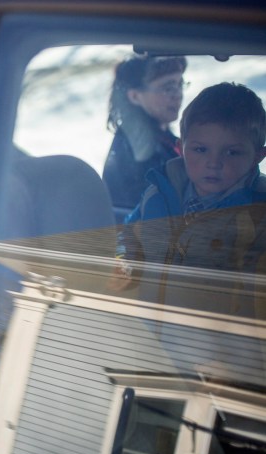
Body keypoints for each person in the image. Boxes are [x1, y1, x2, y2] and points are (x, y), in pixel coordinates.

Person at [113, 82, 266, 317]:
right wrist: (125, 260)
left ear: (257, 156)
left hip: (223, 341)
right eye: (200, 150)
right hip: (152, 330)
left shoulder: (258, 211)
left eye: (231, 152)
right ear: (180, 148)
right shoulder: (160, 192)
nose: (213, 162)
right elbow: (130, 232)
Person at [103, 55, 188, 217]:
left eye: (180, 84)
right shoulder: (140, 152)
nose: (178, 94)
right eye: (168, 87)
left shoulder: (163, 139)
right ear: (135, 96)